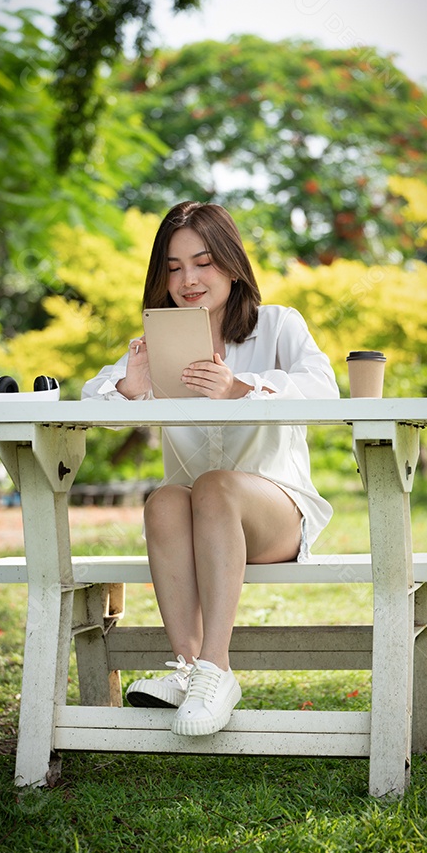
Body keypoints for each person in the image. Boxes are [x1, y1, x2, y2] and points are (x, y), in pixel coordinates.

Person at [82, 201, 339, 736]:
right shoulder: (160, 341)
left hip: (276, 515)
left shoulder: (277, 325)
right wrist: (131, 387)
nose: (188, 279)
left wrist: (240, 387)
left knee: (214, 486)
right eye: (173, 268)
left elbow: (325, 390)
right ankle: (188, 666)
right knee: (167, 498)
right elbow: (95, 402)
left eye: (202, 262)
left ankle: (217, 668)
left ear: (231, 262)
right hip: (196, 521)